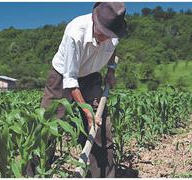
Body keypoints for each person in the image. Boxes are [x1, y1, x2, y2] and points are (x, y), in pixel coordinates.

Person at [27, 2, 126, 177]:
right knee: (47, 128)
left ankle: (103, 175)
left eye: (108, 35)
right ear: (95, 20)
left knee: (101, 130)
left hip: (91, 77)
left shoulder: (114, 33)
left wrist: (111, 71)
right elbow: (70, 80)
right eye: (102, 33)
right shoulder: (75, 32)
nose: (105, 38)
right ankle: (34, 173)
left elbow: (113, 51)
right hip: (62, 77)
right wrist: (86, 111)